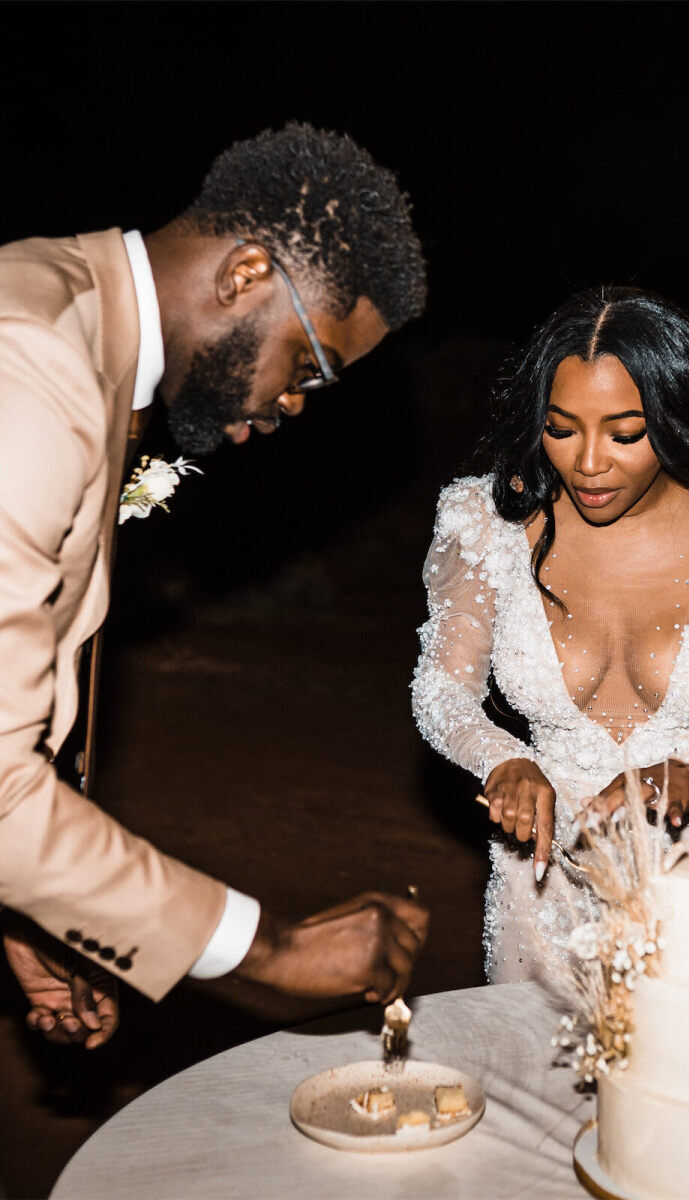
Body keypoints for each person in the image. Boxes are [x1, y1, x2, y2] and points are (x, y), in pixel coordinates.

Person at [0, 122, 429, 1048]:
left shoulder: (60, 303)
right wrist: (267, 948)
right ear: (244, 275)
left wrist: (30, 898)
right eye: (306, 367)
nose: (292, 407)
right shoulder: (31, 368)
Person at [411, 287, 689, 983]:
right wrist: (502, 760)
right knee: (538, 1084)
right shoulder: (485, 523)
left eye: (625, 434)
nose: (589, 464)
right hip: (540, 881)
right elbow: (441, 689)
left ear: (675, 416)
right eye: (561, 428)